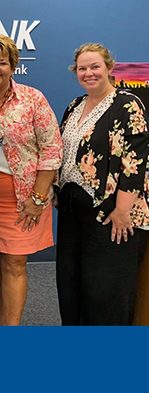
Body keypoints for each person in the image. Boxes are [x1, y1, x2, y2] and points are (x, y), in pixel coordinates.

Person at [0, 34, 62, 325]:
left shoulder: (32, 99)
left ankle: (11, 328)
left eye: (2, 62)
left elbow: (52, 149)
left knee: (13, 262)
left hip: (23, 195)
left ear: (13, 66)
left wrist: (38, 198)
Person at [56, 43, 149, 325]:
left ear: (109, 68)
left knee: (106, 291)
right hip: (73, 213)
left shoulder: (127, 104)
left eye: (95, 66)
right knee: (71, 286)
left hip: (111, 214)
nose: (89, 73)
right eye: (82, 68)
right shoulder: (74, 105)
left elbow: (136, 160)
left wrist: (122, 210)